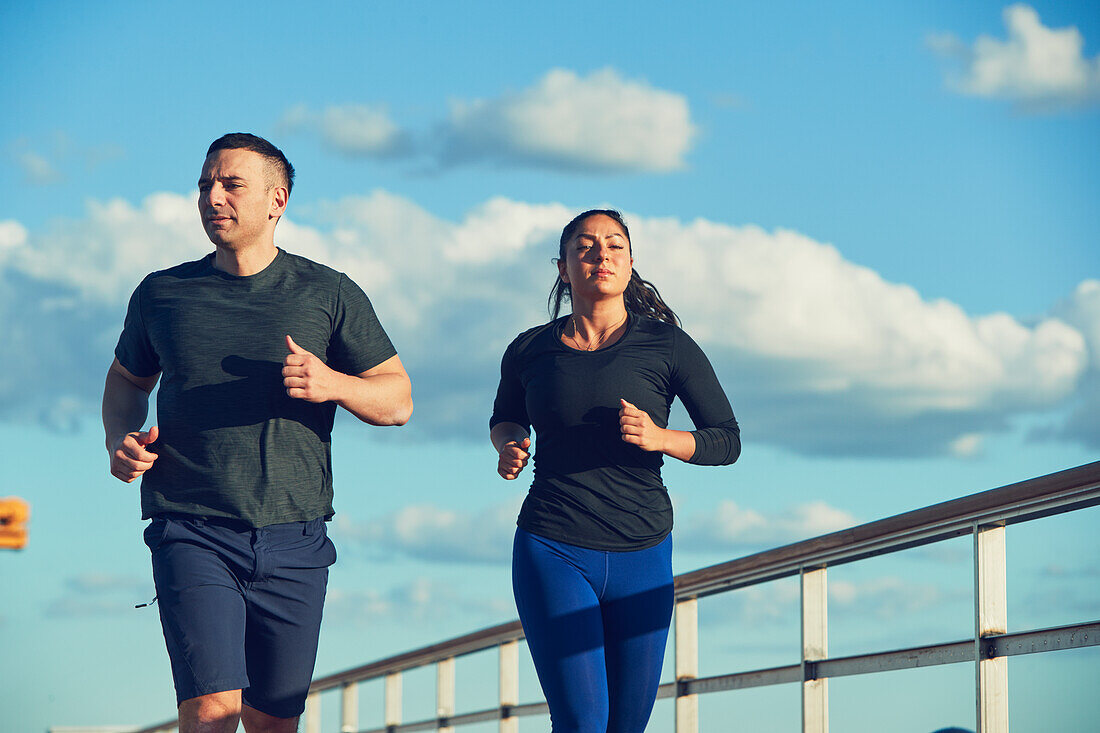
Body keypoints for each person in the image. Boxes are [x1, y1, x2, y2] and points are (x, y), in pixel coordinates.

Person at [102, 133, 412, 733]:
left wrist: (334, 385)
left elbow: (397, 399)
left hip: (297, 536)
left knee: (273, 724)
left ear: (278, 199)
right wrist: (120, 436)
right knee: (213, 711)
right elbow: (125, 379)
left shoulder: (329, 292)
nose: (212, 197)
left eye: (231, 185)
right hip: (192, 526)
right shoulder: (162, 294)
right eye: (204, 185)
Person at [490, 209, 740, 732]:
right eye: (585, 247)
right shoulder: (529, 348)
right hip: (553, 545)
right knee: (582, 723)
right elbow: (505, 417)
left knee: (626, 726)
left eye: (614, 246)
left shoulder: (668, 345)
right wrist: (510, 444)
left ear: (630, 265)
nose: (600, 256)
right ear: (563, 267)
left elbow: (727, 439)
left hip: (643, 551)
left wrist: (661, 438)